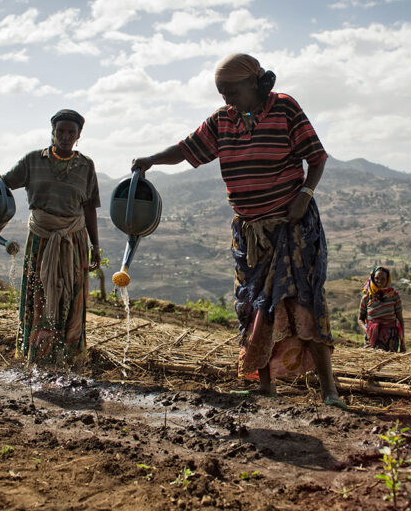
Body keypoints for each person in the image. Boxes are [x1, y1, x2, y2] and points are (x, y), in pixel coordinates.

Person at [131, 53, 344, 408]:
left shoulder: (285, 108)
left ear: (254, 83)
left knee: (305, 303)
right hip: (251, 235)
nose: (226, 98)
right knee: (254, 307)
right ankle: (264, 385)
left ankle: (329, 390)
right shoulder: (222, 121)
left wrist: (305, 194)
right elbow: (187, 149)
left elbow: (317, 157)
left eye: (231, 90)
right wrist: (152, 159)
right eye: (221, 92)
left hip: (292, 228)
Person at [0, 109, 101, 368]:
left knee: (72, 293)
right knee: (40, 294)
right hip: (42, 239)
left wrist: (96, 245)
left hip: (74, 240)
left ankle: (69, 356)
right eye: (61, 131)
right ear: (53, 132)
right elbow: (4, 183)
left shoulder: (86, 166)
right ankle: (39, 353)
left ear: (79, 135)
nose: (66, 137)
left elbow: (90, 207)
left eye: (71, 132)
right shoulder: (33, 161)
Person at [357, 266, 405, 352]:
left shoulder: (394, 296)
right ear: (372, 278)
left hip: (391, 337)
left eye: (383, 279)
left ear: (387, 280)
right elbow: (360, 319)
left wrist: (402, 342)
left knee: (390, 362)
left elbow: (400, 320)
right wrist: (367, 330)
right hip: (372, 335)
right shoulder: (367, 298)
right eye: (376, 278)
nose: (379, 281)